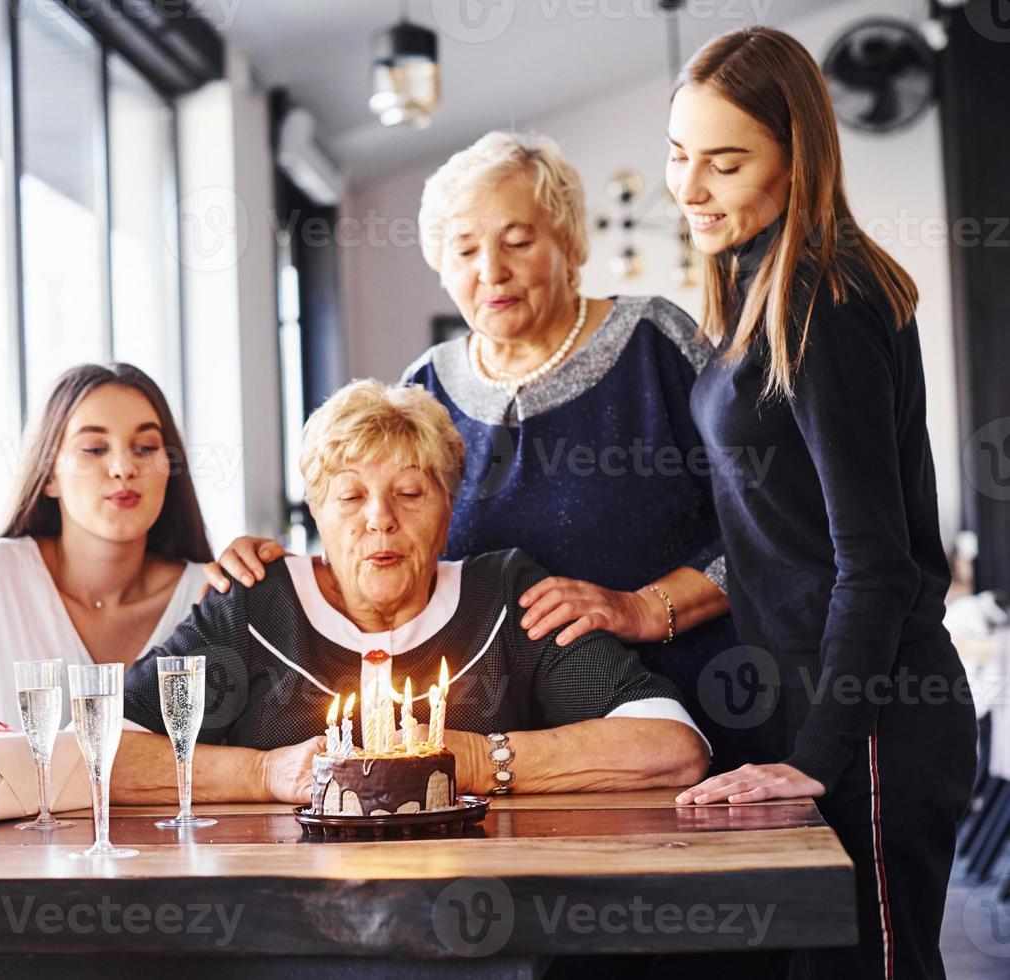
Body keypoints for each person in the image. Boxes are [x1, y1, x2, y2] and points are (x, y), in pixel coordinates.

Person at [211, 132, 747, 769]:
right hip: (503, 745)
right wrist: (273, 561)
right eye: (465, 249)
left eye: (518, 242)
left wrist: (641, 607)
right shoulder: (426, 387)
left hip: (681, 708)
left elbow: (766, 524)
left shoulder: (655, 344)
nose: (491, 270)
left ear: (571, 243)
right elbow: (385, 537)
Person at [667, 27, 976, 980]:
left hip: (875, 717)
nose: (689, 189)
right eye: (678, 156)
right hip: (815, 707)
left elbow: (874, 562)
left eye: (725, 162)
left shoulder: (821, 301)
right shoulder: (760, 293)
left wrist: (820, 750)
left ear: (797, 156)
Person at [108, 380, 710, 805]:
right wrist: (264, 773)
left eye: (411, 493)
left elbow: (672, 745)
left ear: (449, 511)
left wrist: (474, 761)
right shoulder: (253, 604)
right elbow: (100, 753)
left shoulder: (506, 596)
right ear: (317, 511)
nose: (380, 519)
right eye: (349, 496)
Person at [0, 363, 212, 728]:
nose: (122, 467)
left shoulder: (210, 594)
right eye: (94, 448)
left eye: (146, 447)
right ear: (50, 475)